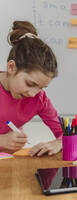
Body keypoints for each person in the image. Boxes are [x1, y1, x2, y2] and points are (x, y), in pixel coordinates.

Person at [0, 21, 62, 156]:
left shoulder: (39, 99)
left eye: (41, 87)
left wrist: (58, 143)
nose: (33, 93)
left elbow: (66, 132)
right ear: (11, 67)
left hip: (10, 166)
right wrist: (1, 141)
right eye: (30, 84)